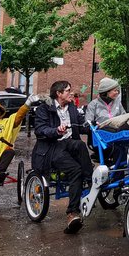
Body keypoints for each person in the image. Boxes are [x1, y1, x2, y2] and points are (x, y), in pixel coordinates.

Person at [31, 81, 93, 234]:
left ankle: (91, 181)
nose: (70, 93)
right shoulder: (44, 109)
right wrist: (56, 130)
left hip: (70, 144)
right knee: (75, 170)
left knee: (79, 145)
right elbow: (40, 130)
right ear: (58, 93)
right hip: (52, 147)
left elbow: (81, 125)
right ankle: (72, 214)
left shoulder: (71, 107)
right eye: (67, 91)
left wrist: (94, 126)